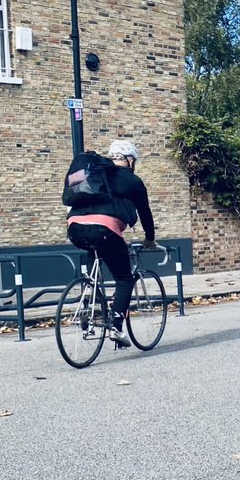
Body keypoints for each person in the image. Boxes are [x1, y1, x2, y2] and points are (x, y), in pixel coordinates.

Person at [66, 140, 157, 348]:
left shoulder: (92, 171)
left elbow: (73, 193)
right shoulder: (132, 180)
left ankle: (88, 301)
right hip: (105, 230)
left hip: (74, 228)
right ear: (130, 160)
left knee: (95, 260)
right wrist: (150, 238)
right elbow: (145, 212)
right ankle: (116, 327)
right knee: (124, 279)